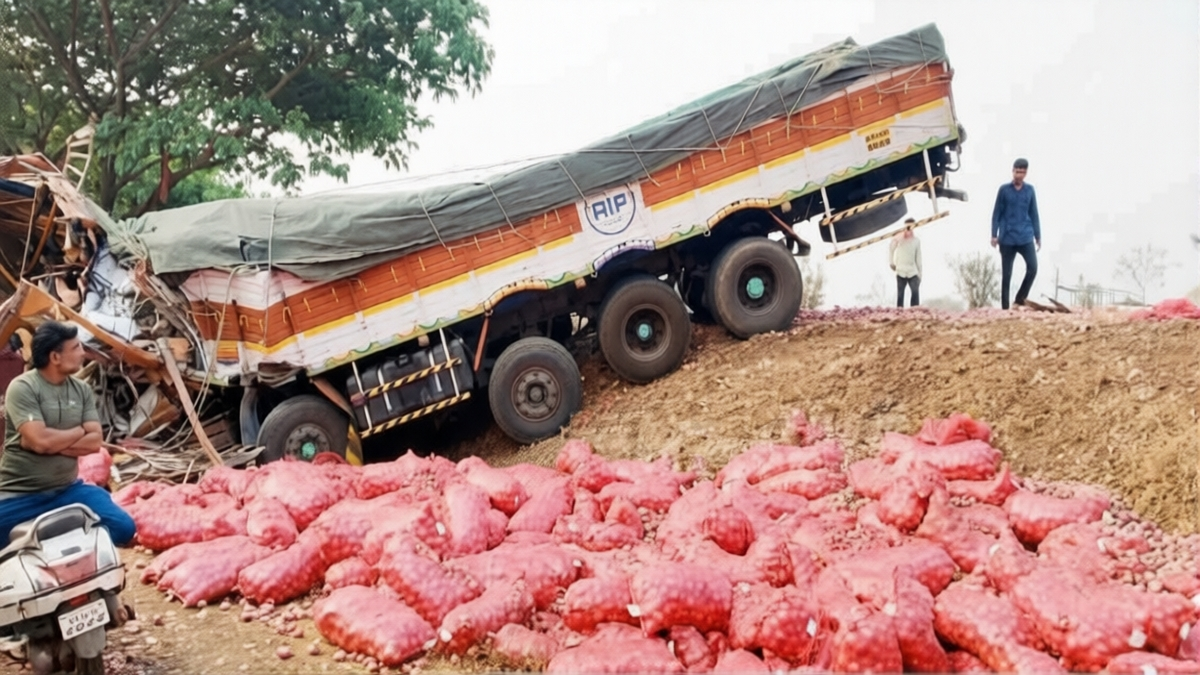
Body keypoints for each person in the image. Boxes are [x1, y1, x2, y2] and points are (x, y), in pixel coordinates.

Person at [0, 321, 135, 545]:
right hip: (19, 494)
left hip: (67, 491)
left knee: (123, 528)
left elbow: (94, 442)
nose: (83, 353)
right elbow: (41, 442)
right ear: (55, 357)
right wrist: (77, 432)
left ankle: (52, 544)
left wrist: (46, 442)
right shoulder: (23, 387)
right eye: (76, 348)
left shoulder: (81, 390)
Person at [991, 158, 1041, 309]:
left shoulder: (1030, 190)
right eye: (1016, 171)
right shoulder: (1004, 190)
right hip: (1007, 238)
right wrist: (994, 234)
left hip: (1025, 236)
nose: (1018, 175)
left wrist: (1038, 236)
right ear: (1012, 171)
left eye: (1021, 172)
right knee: (1006, 275)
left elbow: (1034, 213)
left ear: (1025, 173)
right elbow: (996, 213)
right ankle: (1005, 308)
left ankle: (1020, 298)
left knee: (1033, 268)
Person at [890, 219, 922, 307]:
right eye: (907, 227)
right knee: (900, 295)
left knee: (915, 292)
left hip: (912, 271)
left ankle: (915, 313)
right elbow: (891, 248)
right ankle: (899, 315)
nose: (909, 230)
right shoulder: (899, 238)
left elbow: (918, 258)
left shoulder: (916, 241)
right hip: (901, 270)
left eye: (911, 227)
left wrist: (920, 274)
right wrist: (891, 262)